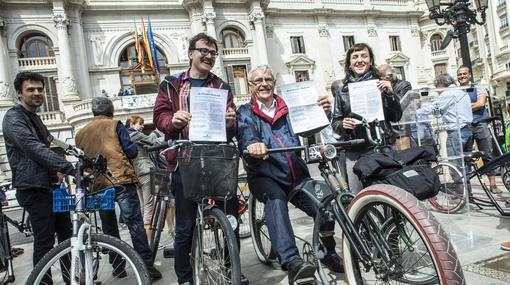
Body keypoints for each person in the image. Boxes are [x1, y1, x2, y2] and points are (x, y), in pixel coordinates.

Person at [153, 32, 248, 285]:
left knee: (230, 219)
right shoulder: (171, 84)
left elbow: (231, 128)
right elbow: (160, 117)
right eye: (203, 51)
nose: (208, 56)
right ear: (190, 53)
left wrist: (231, 122)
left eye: (212, 53)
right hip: (184, 160)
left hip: (217, 159)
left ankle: (232, 270)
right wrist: (172, 122)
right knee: (185, 226)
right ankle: (185, 278)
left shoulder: (222, 86)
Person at [236, 64, 341, 282]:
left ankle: (328, 251)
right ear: (251, 85)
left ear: (274, 82)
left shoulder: (290, 106)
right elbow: (246, 133)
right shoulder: (245, 112)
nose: (264, 84)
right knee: (276, 201)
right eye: (258, 81)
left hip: (297, 175)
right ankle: (292, 261)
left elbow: (309, 127)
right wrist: (253, 143)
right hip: (265, 175)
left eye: (268, 79)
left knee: (324, 205)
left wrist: (323, 113)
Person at [75, 97, 162, 280]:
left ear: (93, 112)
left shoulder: (81, 133)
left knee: (109, 227)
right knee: (134, 223)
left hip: (98, 184)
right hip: (121, 180)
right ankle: (146, 266)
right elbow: (131, 151)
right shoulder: (115, 125)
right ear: (111, 110)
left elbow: (83, 160)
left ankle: (118, 266)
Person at [2, 71, 75, 271]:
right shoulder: (14, 117)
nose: (37, 93)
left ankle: (72, 279)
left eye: (40, 89)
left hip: (52, 188)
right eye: (30, 89)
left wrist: (79, 156)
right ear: (19, 93)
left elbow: (52, 143)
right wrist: (69, 168)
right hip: (34, 188)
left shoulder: (36, 119)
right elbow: (33, 147)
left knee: (67, 239)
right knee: (45, 243)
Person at [331, 43, 403, 193]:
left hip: (382, 148)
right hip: (355, 151)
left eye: (364, 56)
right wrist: (343, 124)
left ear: (370, 61)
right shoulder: (341, 90)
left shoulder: (381, 85)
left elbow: (396, 116)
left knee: (390, 195)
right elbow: (335, 122)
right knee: (359, 197)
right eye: (355, 57)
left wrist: (391, 95)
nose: (359, 60)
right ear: (349, 64)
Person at [457, 66, 503, 194]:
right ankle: (468, 191)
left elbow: (480, 103)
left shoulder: (478, 87)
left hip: (480, 124)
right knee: (465, 157)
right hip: (464, 126)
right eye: (460, 74)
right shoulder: (456, 90)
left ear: (469, 75)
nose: (462, 76)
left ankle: (493, 185)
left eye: (464, 73)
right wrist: (471, 106)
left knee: (487, 154)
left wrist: (463, 108)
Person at [417, 73, 473, 170]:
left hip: (456, 131)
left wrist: (415, 112)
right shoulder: (461, 92)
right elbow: (442, 108)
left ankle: (460, 184)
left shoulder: (447, 93)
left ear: (441, 84)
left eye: (436, 87)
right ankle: (466, 184)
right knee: (465, 163)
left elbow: (434, 106)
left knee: (455, 163)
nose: (437, 91)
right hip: (467, 130)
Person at [125, 115, 159, 238]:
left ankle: (142, 238)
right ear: (132, 124)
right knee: (149, 205)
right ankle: (148, 240)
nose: (143, 126)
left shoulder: (124, 137)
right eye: (140, 124)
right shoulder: (136, 135)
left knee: (143, 207)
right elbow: (154, 142)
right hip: (145, 170)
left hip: (135, 174)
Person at [379, 64, 413, 150]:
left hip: (400, 127)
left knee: (404, 154)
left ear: (390, 76)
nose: (380, 80)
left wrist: (390, 92)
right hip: (386, 127)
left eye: (382, 77)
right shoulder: (380, 86)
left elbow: (402, 103)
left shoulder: (404, 84)